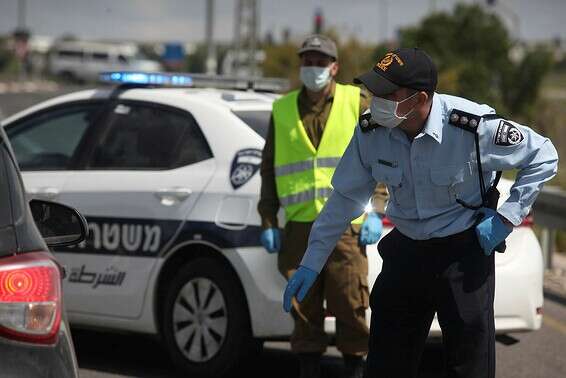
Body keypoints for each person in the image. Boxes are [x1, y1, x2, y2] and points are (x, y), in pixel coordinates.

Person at [283, 47, 559, 378]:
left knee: (468, 365)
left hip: (463, 255)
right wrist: (311, 262)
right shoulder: (372, 132)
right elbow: (342, 200)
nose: (376, 99)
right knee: (386, 364)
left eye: (388, 93)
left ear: (420, 98)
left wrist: (506, 217)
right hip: (407, 254)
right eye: (375, 90)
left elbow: (543, 154)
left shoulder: (470, 127)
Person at [258, 34, 387, 378]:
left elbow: (382, 154)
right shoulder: (282, 109)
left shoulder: (356, 101)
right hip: (299, 225)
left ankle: (354, 369)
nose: (312, 68)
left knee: (350, 303)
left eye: (319, 62)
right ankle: (308, 369)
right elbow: (269, 167)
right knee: (303, 306)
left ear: (334, 67)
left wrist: (375, 209)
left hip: (346, 224)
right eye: (307, 61)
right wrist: (268, 219)